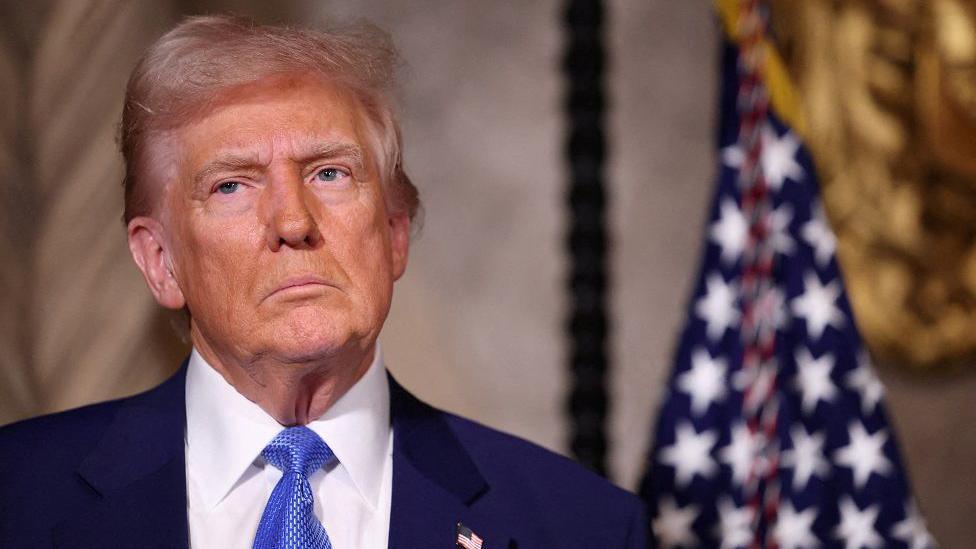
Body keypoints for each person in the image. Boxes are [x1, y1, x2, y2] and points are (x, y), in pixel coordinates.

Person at [0, 15, 646, 548]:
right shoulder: (17, 495)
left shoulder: (579, 526)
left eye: (330, 173)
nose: (292, 220)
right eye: (231, 185)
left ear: (395, 231)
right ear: (161, 260)